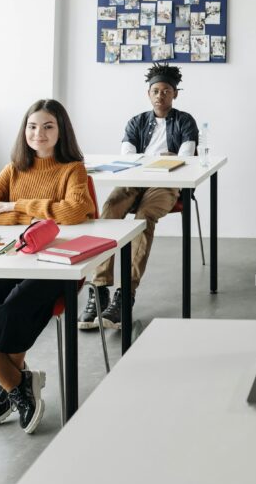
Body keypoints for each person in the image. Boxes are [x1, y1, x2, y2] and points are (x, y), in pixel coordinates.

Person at [0, 99, 95, 434]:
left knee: (13, 309)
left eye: (48, 126)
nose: (39, 133)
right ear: (24, 131)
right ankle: (16, 384)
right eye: (32, 126)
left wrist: (17, 206)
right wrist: (33, 216)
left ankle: (11, 384)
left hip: (56, 264)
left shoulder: (72, 168)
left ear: (61, 130)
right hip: (15, 257)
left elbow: (76, 211)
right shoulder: (14, 169)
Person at [79, 62, 198, 331]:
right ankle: (99, 290)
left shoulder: (185, 121)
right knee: (109, 210)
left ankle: (126, 295)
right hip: (134, 179)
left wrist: (163, 159)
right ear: (148, 93)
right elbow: (127, 156)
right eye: (155, 91)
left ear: (175, 94)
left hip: (167, 183)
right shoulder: (136, 122)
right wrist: (157, 158)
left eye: (166, 91)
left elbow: (186, 157)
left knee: (144, 219)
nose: (160, 95)